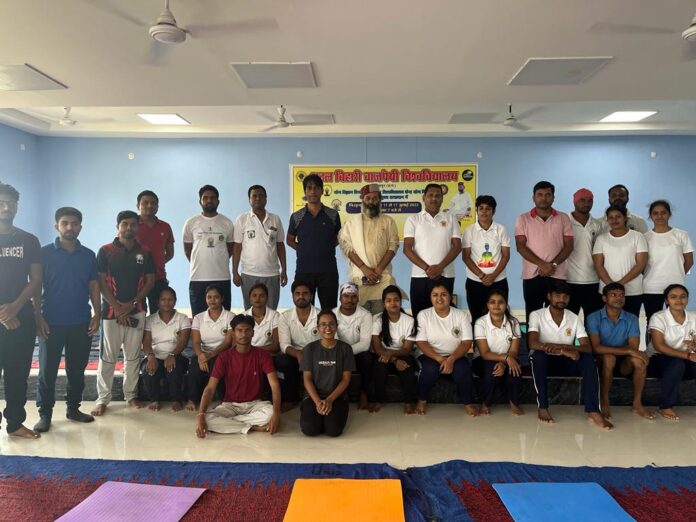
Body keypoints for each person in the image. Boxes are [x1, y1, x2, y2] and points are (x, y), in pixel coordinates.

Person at [33, 207, 100, 433]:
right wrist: (37, 316)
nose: (70, 227)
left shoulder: (88, 255)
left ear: (80, 227)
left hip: (81, 321)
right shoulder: (43, 253)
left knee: (77, 370)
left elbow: (93, 285)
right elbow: (35, 286)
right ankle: (45, 414)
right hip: (50, 321)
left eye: (74, 223)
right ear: (57, 226)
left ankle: (73, 409)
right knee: (47, 372)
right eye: (65, 223)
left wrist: (97, 313)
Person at [92, 210, 155, 417]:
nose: (129, 227)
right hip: (111, 313)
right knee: (108, 357)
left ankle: (131, 396)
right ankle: (103, 399)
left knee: (133, 356)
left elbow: (150, 282)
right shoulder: (105, 251)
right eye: (125, 224)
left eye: (133, 224)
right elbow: (101, 281)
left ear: (137, 227)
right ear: (118, 227)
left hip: (137, 311)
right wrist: (117, 307)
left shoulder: (145, 251)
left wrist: (132, 304)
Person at [527, 282, 611, 429]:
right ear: (549, 297)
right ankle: (543, 407)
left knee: (588, 360)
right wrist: (562, 350)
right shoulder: (537, 315)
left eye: (565, 296)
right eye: (558, 295)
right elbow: (533, 343)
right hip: (545, 361)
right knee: (538, 356)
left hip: (567, 360)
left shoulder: (573, 318)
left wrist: (566, 349)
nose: (562, 299)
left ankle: (593, 410)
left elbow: (587, 347)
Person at [0, 182, 42, 439]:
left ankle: (15, 423)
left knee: (17, 374)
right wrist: (3, 314)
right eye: (1, 203)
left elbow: (36, 279)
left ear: (17, 207)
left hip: (21, 316)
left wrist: (15, 307)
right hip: (6, 316)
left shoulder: (29, 240)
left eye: (11, 203)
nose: (6, 207)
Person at [196, 315, 281, 437]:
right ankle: (252, 428)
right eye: (239, 330)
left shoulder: (263, 355)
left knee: (271, 414)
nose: (243, 334)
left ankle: (231, 424)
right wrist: (201, 414)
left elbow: (275, 385)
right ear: (233, 334)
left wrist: (276, 413)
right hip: (230, 405)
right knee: (207, 419)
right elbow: (210, 388)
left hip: (255, 404)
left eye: (247, 330)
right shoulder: (224, 357)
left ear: (253, 333)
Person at [586, 283, 653, 421]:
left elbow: (633, 347)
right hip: (601, 360)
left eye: (622, 295)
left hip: (624, 361)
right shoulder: (593, 317)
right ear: (604, 298)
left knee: (639, 361)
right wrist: (627, 349)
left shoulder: (632, 318)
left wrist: (630, 351)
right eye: (613, 295)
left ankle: (637, 404)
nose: (619, 298)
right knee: (609, 358)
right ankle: (604, 401)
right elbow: (596, 347)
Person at [514, 181, 574, 323]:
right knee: (532, 316)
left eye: (548, 195)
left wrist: (552, 265)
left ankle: (556, 339)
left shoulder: (563, 218)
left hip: (557, 275)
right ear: (533, 197)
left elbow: (569, 246)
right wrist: (543, 264)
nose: (544, 198)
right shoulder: (523, 219)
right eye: (540, 195)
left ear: (553, 197)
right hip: (532, 276)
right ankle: (533, 339)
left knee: (557, 316)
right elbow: (520, 246)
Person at [415, 284, 477, 416]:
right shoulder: (424, 315)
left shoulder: (461, 315)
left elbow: (466, 342)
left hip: (456, 355)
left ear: (450, 297)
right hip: (430, 355)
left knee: (463, 370)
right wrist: (440, 359)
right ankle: (422, 399)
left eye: (443, 294)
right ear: (430, 298)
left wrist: (451, 359)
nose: (439, 298)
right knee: (430, 370)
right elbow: (421, 342)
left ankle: (468, 402)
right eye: (435, 295)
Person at [338, 183, 399, 313]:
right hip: (360, 278)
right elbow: (346, 247)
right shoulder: (351, 223)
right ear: (362, 200)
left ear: (380, 200)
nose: (371, 202)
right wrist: (364, 269)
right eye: (368, 198)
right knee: (361, 318)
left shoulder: (388, 221)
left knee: (381, 319)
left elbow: (393, 245)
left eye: (375, 198)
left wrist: (378, 270)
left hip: (382, 277)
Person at [404, 184, 462, 319]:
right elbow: (407, 249)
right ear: (423, 198)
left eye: (438, 196)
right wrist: (427, 269)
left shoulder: (451, 218)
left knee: (444, 316)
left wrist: (439, 268)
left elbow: (457, 247)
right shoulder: (413, 219)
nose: (434, 199)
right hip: (420, 276)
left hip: (445, 275)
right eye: (430, 195)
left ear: (442, 199)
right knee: (420, 317)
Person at [287, 174, 341, 309]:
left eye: (316, 188)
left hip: (328, 271)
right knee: (304, 310)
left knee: (329, 311)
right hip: (304, 271)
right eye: (309, 188)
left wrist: (326, 248)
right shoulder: (296, 216)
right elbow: (290, 240)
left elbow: (338, 238)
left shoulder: (333, 214)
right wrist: (304, 249)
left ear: (322, 191)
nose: (313, 191)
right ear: (305, 191)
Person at [300, 309, 356, 437]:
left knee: (333, 430)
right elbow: (307, 379)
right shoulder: (310, 349)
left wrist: (329, 400)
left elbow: (346, 379)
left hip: (337, 397)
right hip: (314, 397)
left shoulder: (345, 349)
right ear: (318, 327)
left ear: (336, 326)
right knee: (309, 429)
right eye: (323, 324)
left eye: (331, 324)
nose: (328, 328)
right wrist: (318, 402)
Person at [232, 185, 288, 310]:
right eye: (254, 196)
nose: (258, 198)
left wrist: (284, 270)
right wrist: (234, 271)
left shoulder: (275, 219)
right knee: (250, 312)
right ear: (249, 199)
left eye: (261, 196)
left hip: (272, 274)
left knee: (271, 311)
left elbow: (280, 245)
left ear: (266, 199)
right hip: (249, 274)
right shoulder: (242, 219)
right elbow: (237, 247)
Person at [182, 185, 234, 315]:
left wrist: (218, 259)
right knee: (198, 317)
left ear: (218, 201)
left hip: (222, 277)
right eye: (205, 198)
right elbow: (188, 250)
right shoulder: (191, 222)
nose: (209, 200)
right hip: (198, 278)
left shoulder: (227, 223)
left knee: (224, 317)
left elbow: (230, 249)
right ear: (200, 201)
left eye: (212, 198)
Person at [648, 284, 696, 421]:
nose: (679, 300)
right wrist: (688, 355)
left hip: (685, 360)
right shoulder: (659, 317)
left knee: (680, 364)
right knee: (676, 364)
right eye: (673, 297)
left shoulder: (693, 317)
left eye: (683, 297)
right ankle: (665, 406)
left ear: (687, 299)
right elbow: (659, 346)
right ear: (666, 301)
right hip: (658, 360)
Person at [473, 289, 523, 416]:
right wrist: (505, 359)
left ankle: (514, 403)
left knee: (515, 370)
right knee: (491, 369)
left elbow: (514, 350)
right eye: (492, 302)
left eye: (500, 302)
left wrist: (504, 363)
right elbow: (485, 353)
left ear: (506, 304)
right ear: (487, 305)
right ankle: (485, 403)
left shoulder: (513, 322)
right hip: (483, 360)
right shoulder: (480, 323)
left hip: (508, 358)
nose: (496, 305)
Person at [185, 285, 236, 411]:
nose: (212, 300)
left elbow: (227, 341)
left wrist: (210, 355)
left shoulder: (230, 316)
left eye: (216, 297)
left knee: (217, 364)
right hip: (204, 352)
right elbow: (196, 342)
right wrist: (201, 356)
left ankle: (224, 399)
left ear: (222, 299)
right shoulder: (199, 317)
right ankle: (192, 399)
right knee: (194, 366)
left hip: (223, 353)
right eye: (209, 297)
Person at [141, 287, 191, 412]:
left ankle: (177, 400)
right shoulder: (150, 319)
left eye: (170, 299)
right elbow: (146, 342)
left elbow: (183, 341)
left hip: (176, 355)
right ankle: (154, 400)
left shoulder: (182, 318)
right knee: (148, 369)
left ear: (175, 301)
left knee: (173, 368)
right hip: (155, 355)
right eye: (163, 299)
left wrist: (172, 355)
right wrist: (150, 356)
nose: (167, 302)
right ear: (157, 302)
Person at [642, 200, 693, 323]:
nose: (659, 216)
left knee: (676, 320)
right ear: (650, 216)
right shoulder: (644, 237)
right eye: (655, 213)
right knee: (653, 321)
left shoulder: (681, 235)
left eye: (663, 213)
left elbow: (689, 261)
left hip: (676, 285)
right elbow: (641, 263)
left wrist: (677, 274)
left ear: (669, 214)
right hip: (651, 287)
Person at [461, 195, 510, 323]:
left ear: (494, 211)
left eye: (488, 208)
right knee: (477, 317)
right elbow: (466, 257)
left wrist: (493, 276)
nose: (484, 211)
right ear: (476, 211)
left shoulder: (501, 229)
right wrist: (482, 276)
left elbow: (506, 256)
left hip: (498, 281)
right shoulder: (469, 230)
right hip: (475, 281)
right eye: (481, 208)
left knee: (499, 316)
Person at [592, 205, 648, 317]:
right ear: (607, 220)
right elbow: (598, 265)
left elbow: (641, 264)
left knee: (631, 321)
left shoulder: (638, 236)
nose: (614, 220)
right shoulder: (601, 239)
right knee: (607, 322)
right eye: (611, 217)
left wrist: (619, 285)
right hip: (607, 291)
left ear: (625, 218)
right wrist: (611, 287)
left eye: (618, 217)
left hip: (633, 290)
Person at [370, 286, 418, 414]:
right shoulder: (377, 320)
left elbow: (407, 349)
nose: (393, 303)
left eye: (396, 300)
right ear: (384, 303)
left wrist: (391, 353)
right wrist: (394, 360)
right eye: (389, 300)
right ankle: (378, 400)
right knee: (379, 367)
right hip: (382, 354)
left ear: (401, 302)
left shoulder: (409, 320)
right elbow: (376, 347)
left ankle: (408, 402)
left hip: (402, 354)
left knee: (407, 366)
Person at [276, 281, 320, 407]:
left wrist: (309, 353)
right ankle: (290, 399)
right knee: (282, 361)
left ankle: (316, 397)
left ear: (311, 296)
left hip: (317, 353)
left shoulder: (321, 314)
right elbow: (284, 344)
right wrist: (298, 354)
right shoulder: (285, 316)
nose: (301, 296)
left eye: (305, 293)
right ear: (293, 296)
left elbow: (328, 340)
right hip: (295, 354)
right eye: (297, 293)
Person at [333, 282, 373, 410]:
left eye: (353, 296)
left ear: (358, 298)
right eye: (346, 296)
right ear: (340, 298)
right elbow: (332, 340)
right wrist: (341, 353)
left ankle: (364, 394)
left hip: (357, 354)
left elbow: (365, 344)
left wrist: (345, 352)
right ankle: (338, 394)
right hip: (338, 353)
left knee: (367, 358)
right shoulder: (332, 314)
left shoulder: (365, 315)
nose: (349, 300)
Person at [135, 190, 174, 314]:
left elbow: (170, 253)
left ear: (157, 206)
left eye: (153, 203)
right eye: (145, 203)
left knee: (159, 315)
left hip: (158, 278)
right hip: (135, 279)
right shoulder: (131, 225)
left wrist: (156, 264)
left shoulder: (165, 226)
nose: (149, 206)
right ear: (138, 206)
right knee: (137, 315)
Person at [566, 188, 603, 318]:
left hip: (593, 281)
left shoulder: (597, 225)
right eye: (582, 200)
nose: (586, 204)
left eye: (590, 200)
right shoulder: (565, 222)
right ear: (574, 201)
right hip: (569, 280)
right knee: (569, 322)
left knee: (593, 323)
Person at [245, 283, 280, 354]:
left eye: (262, 296)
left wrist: (252, 351)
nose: (258, 299)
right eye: (254, 295)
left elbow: (276, 346)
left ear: (267, 298)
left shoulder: (275, 315)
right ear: (250, 298)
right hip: (247, 356)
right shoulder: (243, 316)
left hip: (268, 355)